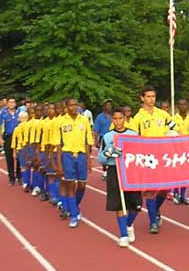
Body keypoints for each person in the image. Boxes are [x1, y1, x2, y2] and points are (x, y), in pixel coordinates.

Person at [132, 85, 174, 234]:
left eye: (153, 96)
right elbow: (133, 139)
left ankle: (154, 209)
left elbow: (174, 130)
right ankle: (153, 221)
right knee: (150, 191)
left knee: (164, 188)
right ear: (142, 98)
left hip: (163, 157)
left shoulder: (163, 115)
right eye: (148, 96)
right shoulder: (138, 118)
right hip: (148, 158)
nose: (151, 99)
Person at [98, 108, 142, 247]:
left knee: (136, 204)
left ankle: (128, 224)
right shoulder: (107, 136)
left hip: (130, 171)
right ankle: (123, 234)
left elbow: (140, 152)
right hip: (114, 170)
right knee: (119, 203)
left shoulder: (133, 134)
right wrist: (108, 154)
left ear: (125, 118)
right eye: (115, 118)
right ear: (112, 120)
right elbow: (100, 158)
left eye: (120, 118)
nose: (118, 121)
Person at [54, 98, 94, 228]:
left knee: (82, 185)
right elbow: (59, 145)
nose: (74, 107)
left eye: (75, 104)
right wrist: (59, 164)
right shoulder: (61, 121)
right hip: (67, 155)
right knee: (70, 185)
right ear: (66, 106)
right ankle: (73, 215)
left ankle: (74, 206)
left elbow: (88, 142)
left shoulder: (84, 120)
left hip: (81, 155)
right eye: (71, 105)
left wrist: (89, 161)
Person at [172, 99, 189, 205]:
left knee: (185, 174)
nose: (182, 106)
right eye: (180, 104)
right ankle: (175, 193)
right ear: (177, 106)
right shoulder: (173, 119)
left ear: (187, 106)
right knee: (177, 173)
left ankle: (183, 195)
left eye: (184, 104)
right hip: (177, 150)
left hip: (187, 150)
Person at [0, 98, 20, 185]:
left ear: (15, 104)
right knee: (9, 158)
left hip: (19, 138)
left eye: (13, 102)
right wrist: (0, 138)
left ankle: (19, 176)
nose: (11, 104)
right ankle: (11, 178)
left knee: (19, 157)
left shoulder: (19, 113)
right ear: (7, 104)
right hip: (8, 137)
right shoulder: (3, 114)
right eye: (10, 102)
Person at [94, 99, 113, 180]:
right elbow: (96, 130)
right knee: (105, 155)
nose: (109, 106)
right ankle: (105, 172)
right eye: (107, 105)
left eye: (110, 105)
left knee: (113, 155)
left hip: (113, 137)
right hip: (103, 138)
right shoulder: (100, 117)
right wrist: (96, 141)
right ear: (104, 106)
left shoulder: (114, 116)